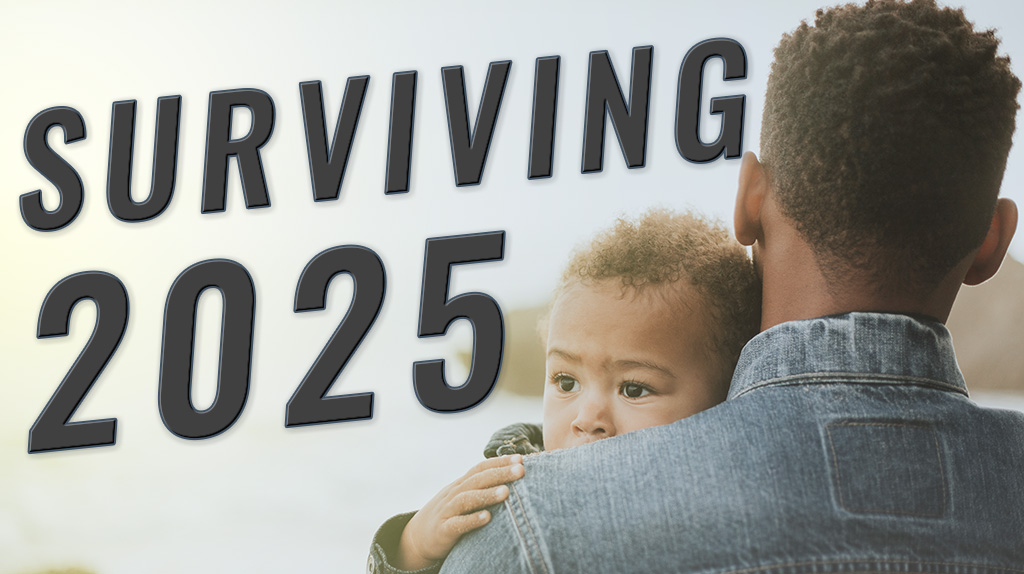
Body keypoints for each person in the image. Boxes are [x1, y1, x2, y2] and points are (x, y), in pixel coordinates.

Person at [435, 0, 1024, 572]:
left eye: (635, 388)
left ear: (748, 200)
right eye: (566, 380)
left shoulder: (533, 527)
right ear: (993, 241)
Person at [366, 209, 761, 574]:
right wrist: (413, 546)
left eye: (634, 388)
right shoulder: (509, 484)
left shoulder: (739, 516)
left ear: (726, 397)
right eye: (566, 382)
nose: (586, 418)